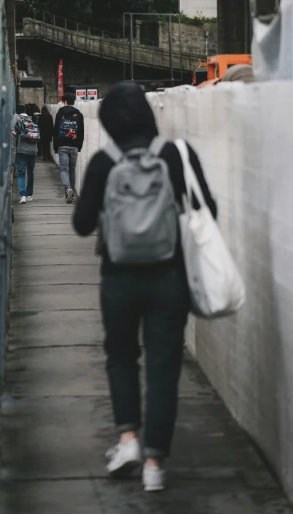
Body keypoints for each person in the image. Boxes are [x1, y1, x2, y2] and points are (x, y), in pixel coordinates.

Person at [73, 82, 216, 493]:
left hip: (118, 279)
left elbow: (81, 225)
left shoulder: (104, 161)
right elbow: (209, 209)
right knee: (163, 368)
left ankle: (128, 441)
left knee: (121, 358)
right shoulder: (175, 154)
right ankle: (155, 463)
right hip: (168, 278)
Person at [53, 93, 84, 204]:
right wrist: (79, 146)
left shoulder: (60, 113)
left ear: (65, 101)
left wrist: (55, 146)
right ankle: (72, 193)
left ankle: (67, 188)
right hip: (74, 145)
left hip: (62, 145)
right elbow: (81, 132)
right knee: (72, 169)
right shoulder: (79, 114)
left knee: (63, 169)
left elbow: (55, 130)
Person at [11, 104, 38, 204]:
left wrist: (13, 131)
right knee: (30, 172)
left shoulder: (17, 117)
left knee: (21, 173)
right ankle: (29, 194)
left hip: (22, 149)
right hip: (33, 150)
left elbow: (11, 126)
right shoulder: (31, 119)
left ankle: (22, 195)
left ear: (16, 111)